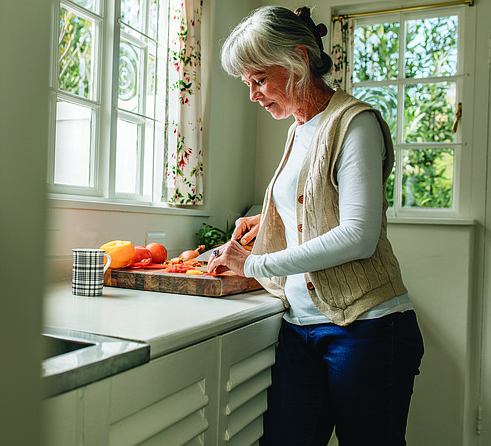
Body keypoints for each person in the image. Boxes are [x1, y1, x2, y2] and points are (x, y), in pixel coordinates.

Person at [208, 5, 425, 446]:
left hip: (366, 329)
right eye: (247, 83)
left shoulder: (354, 123)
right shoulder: (298, 128)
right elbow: (312, 206)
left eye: (259, 79)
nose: (253, 95)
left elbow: (357, 236)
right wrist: (268, 216)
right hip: (301, 328)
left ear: (299, 60)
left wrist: (253, 264)